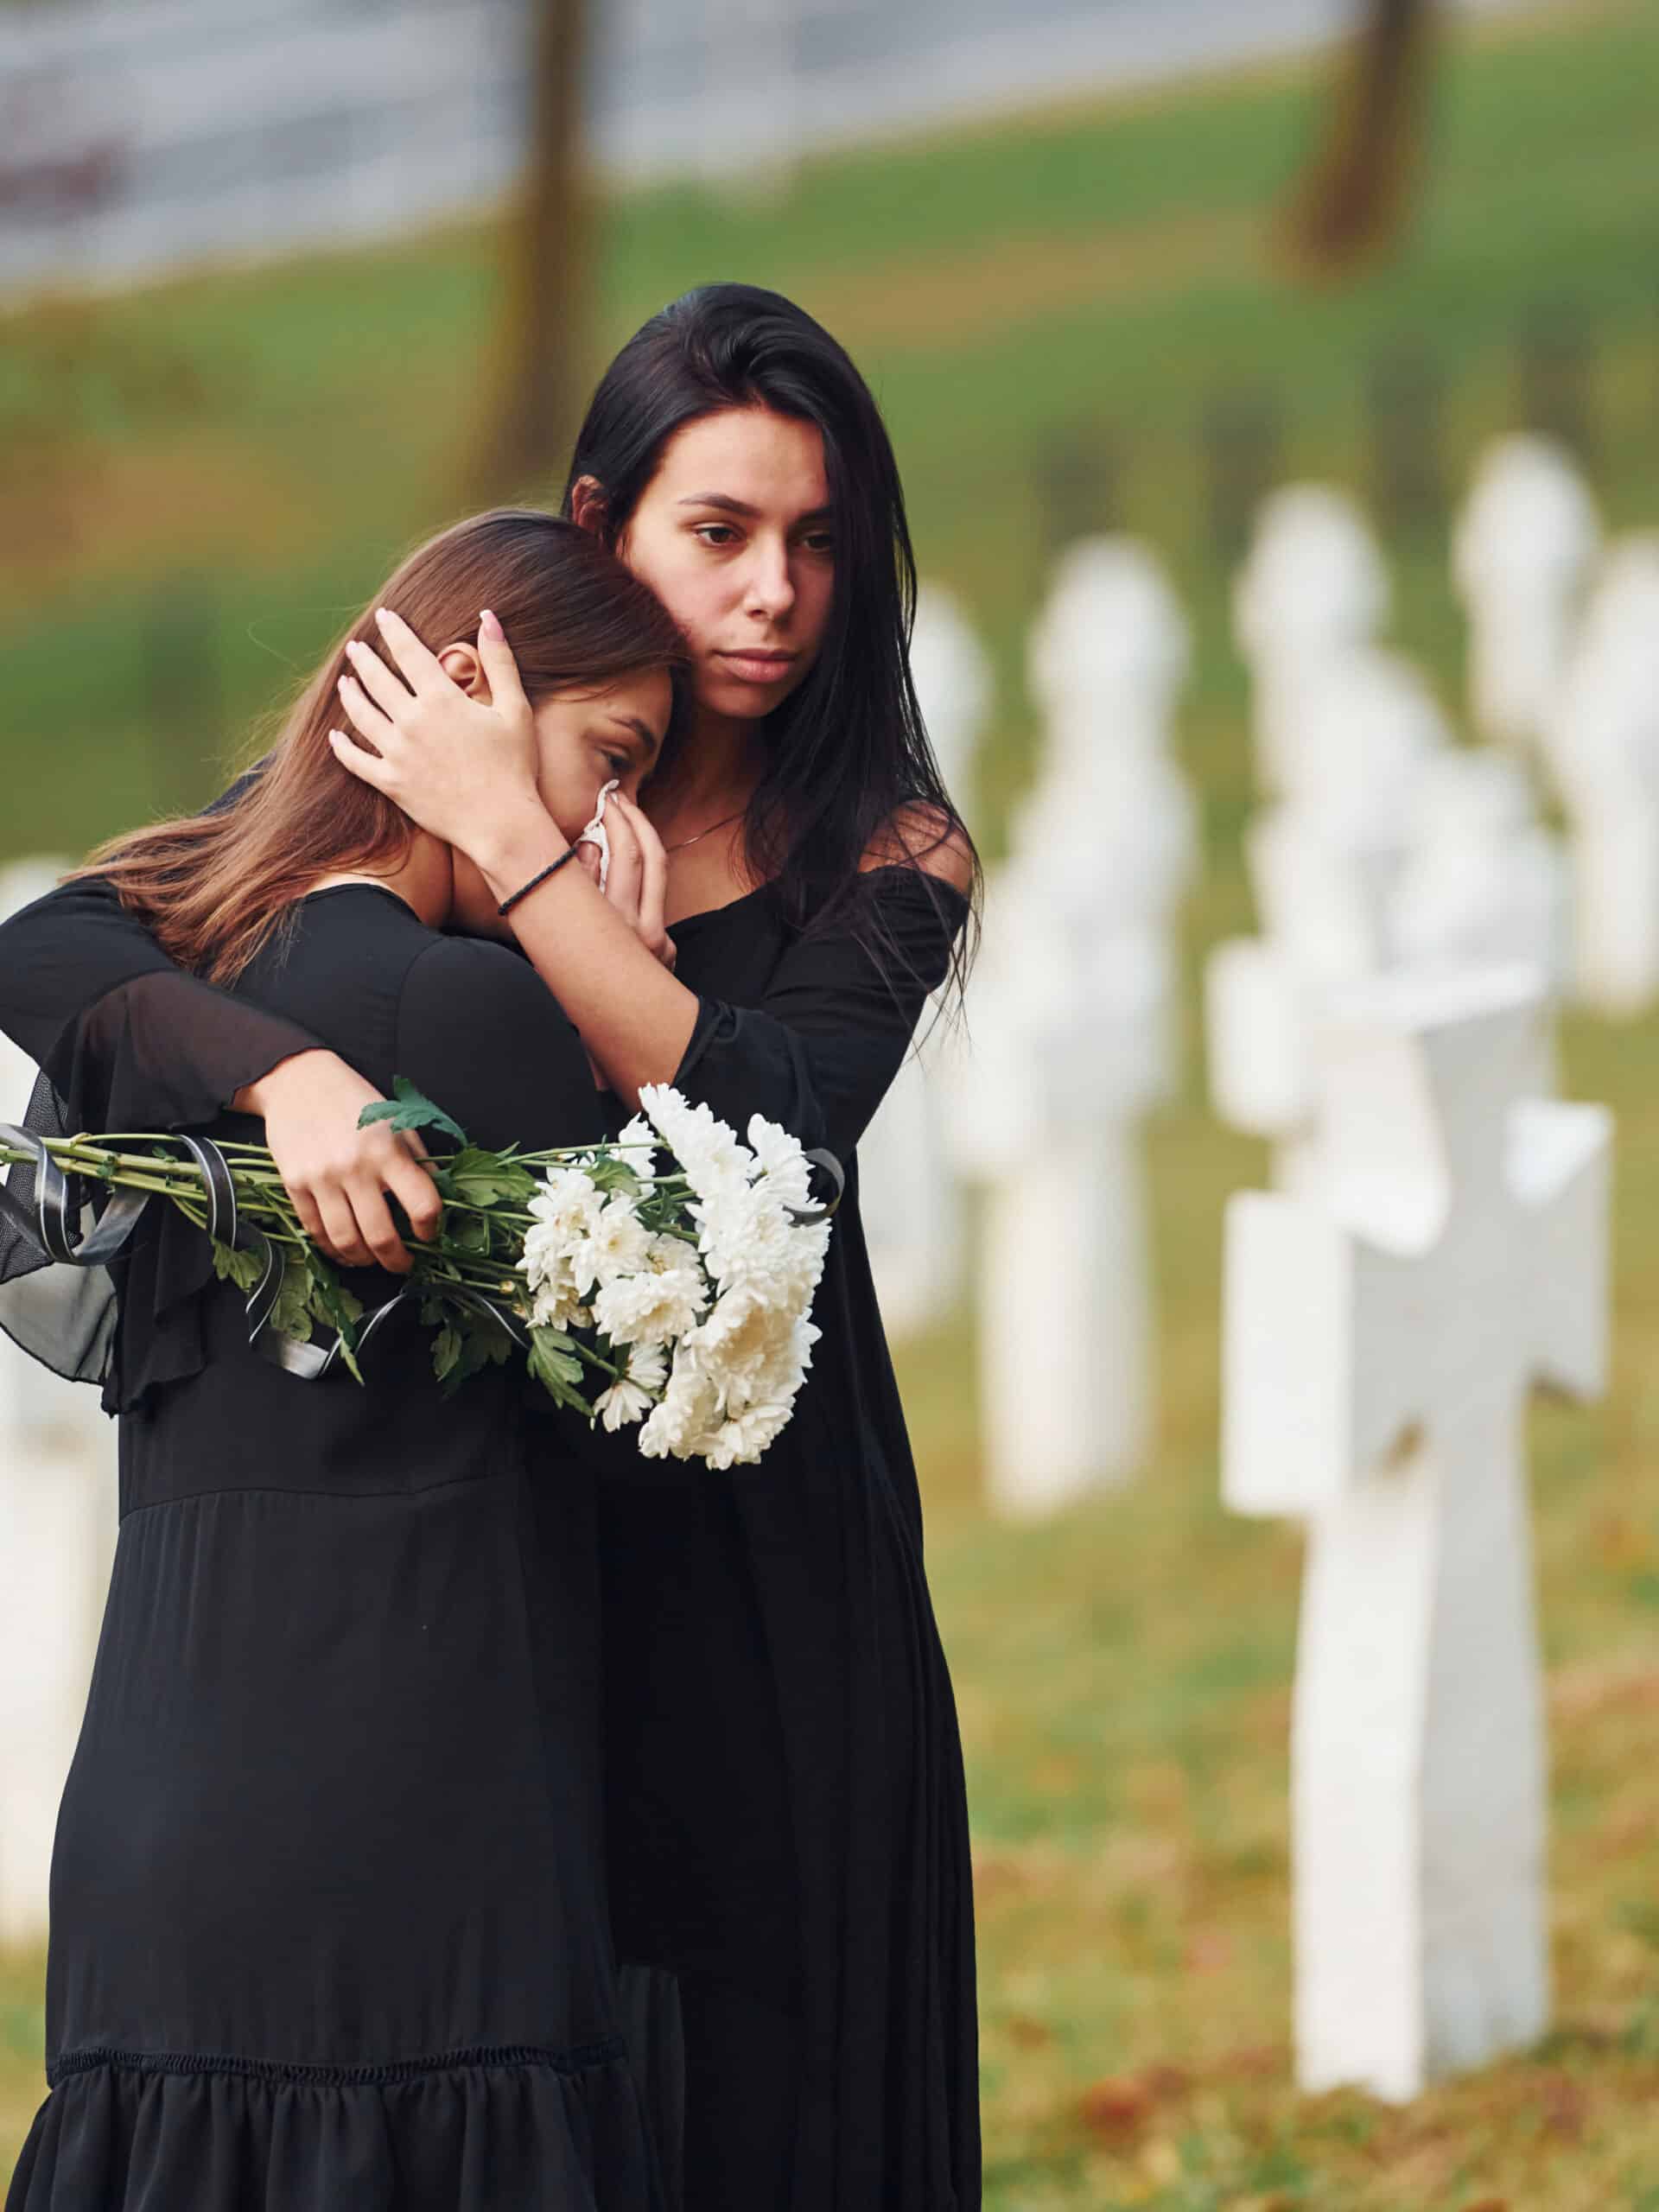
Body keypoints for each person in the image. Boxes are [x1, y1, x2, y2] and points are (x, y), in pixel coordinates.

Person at [0, 283, 982, 2212]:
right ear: (598, 526)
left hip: (754, 1547)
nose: (775, 593)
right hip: (488, 1576)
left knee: (766, 2108)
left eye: (819, 540)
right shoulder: (469, 752)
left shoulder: (886, 848)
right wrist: (285, 1071)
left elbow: (772, 1129)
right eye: (720, 530)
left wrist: (526, 863)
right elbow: (79, 938)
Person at [1, 511, 690, 2212]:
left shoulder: (177, 964)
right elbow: (642, 1402)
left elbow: (42, 942)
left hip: (158, 1823)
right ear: (465, 692)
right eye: (613, 761)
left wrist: (285, 1068)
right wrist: (621, 1013)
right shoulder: (474, 1013)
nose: (618, 825)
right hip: (415, 1840)